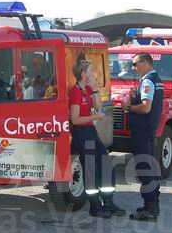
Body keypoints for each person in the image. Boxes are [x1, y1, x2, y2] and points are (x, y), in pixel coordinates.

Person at [69, 59, 124, 218]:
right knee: (91, 170)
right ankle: (94, 206)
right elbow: (75, 119)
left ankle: (108, 202)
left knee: (106, 164)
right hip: (82, 133)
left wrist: (94, 89)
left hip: (90, 131)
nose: (94, 73)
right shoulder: (75, 91)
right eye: (91, 70)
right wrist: (95, 116)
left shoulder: (87, 89)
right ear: (83, 73)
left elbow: (99, 108)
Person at [122, 53, 164, 221]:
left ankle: (150, 208)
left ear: (146, 63)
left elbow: (146, 108)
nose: (133, 67)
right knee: (151, 168)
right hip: (149, 129)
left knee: (145, 169)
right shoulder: (156, 79)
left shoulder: (148, 81)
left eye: (135, 63)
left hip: (142, 129)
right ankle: (151, 205)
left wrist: (129, 107)